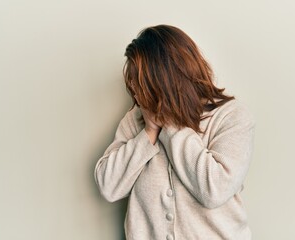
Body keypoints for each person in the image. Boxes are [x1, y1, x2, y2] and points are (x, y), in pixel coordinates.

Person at [94, 24, 256, 240]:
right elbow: (108, 186)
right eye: (132, 81)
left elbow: (214, 189)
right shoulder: (136, 118)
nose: (134, 88)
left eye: (141, 81)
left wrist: (169, 124)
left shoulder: (232, 117)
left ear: (168, 77)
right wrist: (149, 132)